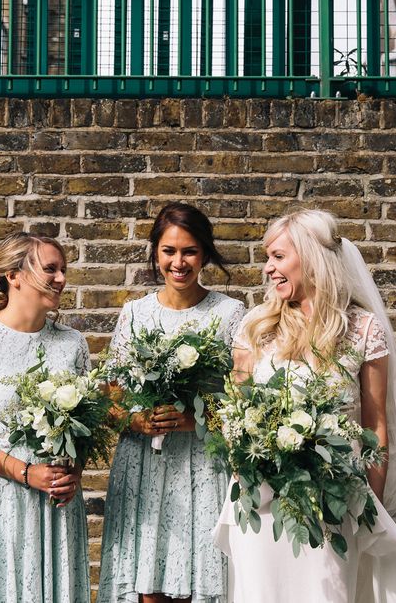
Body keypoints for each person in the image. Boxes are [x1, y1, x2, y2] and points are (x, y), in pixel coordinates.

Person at [213, 209, 396, 603]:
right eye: (268, 258)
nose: (267, 269)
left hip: (335, 501)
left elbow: (376, 425)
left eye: (278, 257)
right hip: (260, 500)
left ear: (311, 256)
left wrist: (369, 505)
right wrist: (244, 461)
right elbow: (231, 411)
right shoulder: (256, 326)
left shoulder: (363, 328)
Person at [97, 202, 246, 603]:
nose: (178, 262)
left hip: (201, 464)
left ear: (205, 254)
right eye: (169, 251)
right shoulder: (134, 314)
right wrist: (137, 418)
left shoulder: (231, 314)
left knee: (197, 584)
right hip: (143, 463)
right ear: (155, 252)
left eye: (189, 251)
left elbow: (247, 404)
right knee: (147, 587)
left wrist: (191, 419)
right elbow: (111, 397)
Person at [0, 232, 91, 603]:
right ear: (14, 275)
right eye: (50, 269)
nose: (60, 279)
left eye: (63, 270)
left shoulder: (73, 344)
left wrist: (73, 475)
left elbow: (85, 426)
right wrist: (24, 472)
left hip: (54, 503)